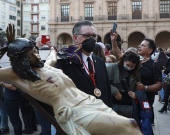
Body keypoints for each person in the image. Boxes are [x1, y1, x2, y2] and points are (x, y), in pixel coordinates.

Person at [0, 26, 142, 135]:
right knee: (129, 126)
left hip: (89, 101)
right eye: (31, 54)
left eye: (35, 50)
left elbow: (52, 57)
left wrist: (55, 50)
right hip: (72, 111)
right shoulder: (17, 74)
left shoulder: (46, 67)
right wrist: (7, 49)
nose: (36, 55)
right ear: (22, 59)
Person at [111, 32, 162, 126]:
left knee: (141, 124)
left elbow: (159, 85)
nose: (139, 46)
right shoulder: (134, 60)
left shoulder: (154, 65)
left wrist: (145, 88)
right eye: (140, 44)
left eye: (142, 45)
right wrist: (114, 41)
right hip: (129, 98)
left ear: (149, 50)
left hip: (144, 99)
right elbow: (118, 53)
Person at [56, 20, 111, 107]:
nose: (91, 39)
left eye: (94, 36)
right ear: (75, 38)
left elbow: (107, 91)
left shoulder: (100, 61)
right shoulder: (64, 61)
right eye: (86, 35)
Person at [106, 51, 140, 123]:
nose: (129, 68)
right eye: (127, 65)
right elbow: (104, 83)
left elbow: (138, 86)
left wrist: (136, 94)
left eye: (132, 66)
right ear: (123, 61)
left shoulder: (136, 71)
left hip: (129, 104)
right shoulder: (112, 68)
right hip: (114, 103)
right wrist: (115, 91)